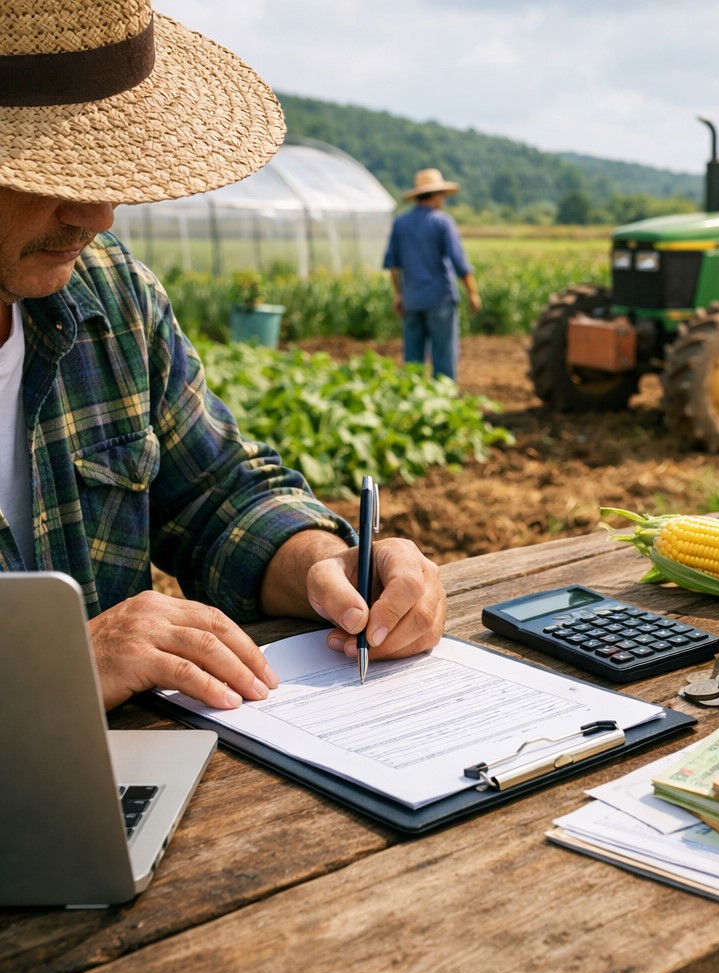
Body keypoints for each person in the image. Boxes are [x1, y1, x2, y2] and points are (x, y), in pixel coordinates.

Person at [0, 0, 445, 712]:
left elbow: (215, 496)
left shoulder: (111, 299)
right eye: (45, 170)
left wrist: (325, 565)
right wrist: (46, 669)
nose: (98, 215)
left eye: (107, 168)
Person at [383, 168, 482, 380]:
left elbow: (393, 265)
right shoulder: (442, 222)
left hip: (412, 301)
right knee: (444, 357)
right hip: (440, 299)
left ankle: (413, 402)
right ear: (436, 195)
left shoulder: (400, 224)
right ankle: (442, 403)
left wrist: (399, 294)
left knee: (412, 361)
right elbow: (459, 262)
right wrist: (473, 293)